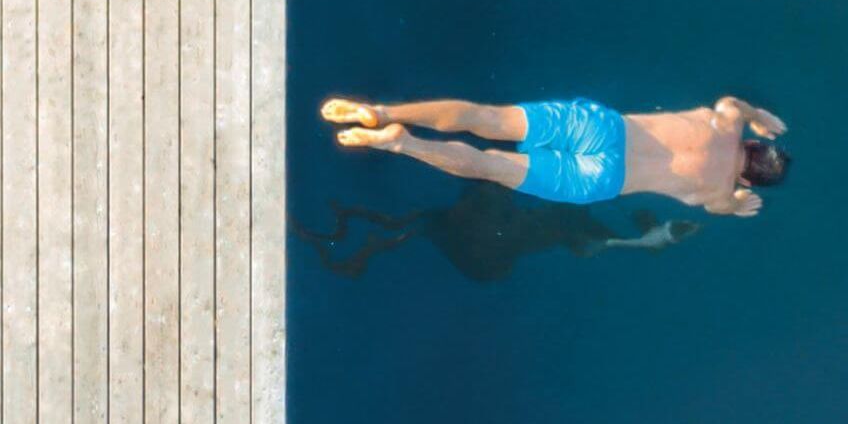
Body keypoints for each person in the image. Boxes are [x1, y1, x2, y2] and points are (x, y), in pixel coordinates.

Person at [319, 94, 789, 216]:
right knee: (492, 166)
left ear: (754, 144)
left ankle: (380, 111)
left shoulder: (724, 122)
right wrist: (738, 203)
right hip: (602, 180)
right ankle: (402, 142)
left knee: (492, 119)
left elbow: (733, 103)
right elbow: (725, 207)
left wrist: (757, 115)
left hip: (604, 128)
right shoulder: (718, 190)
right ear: (748, 178)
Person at [290, 181, 703, 281]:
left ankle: (332, 235)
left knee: (412, 226)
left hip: (491, 246)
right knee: (413, 226)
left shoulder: (550, 222)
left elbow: (592, 242)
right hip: (491, 247)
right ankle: (332, 236)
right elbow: (592, 242)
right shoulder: (552, 223)